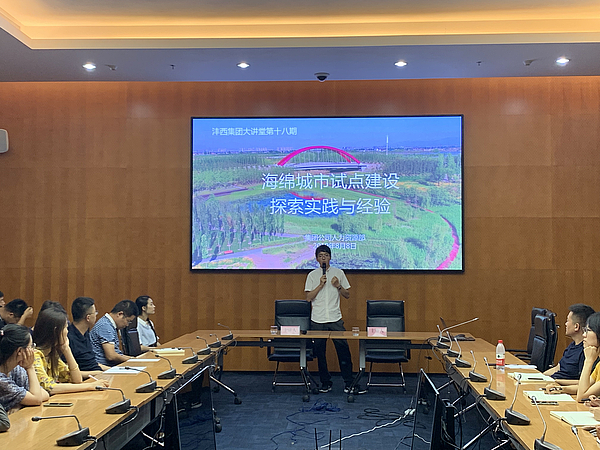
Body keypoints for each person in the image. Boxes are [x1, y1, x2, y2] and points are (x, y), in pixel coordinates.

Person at [305, 245, 362, 394]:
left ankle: (349, 383)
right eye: (320, 256)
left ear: (330, 257)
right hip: (318, 319)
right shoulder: (312, 275)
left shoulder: (339, 273)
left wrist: (338, 286)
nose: (323, 258)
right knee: (320, 352)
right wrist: (320, 284)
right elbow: (308, 297)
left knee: (343, 350)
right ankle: (325, 383)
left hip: (335, 318)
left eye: (326, 255)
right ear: (317, 259)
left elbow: (347, 295)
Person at [32, 307, 108, 394]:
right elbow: (49, 387)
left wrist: (66, 349)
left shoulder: (52, 354)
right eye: (65, 328)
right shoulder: (35, 355)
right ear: (56, 331)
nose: (67, 332)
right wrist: (90, 386)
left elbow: (77, 380)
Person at [0, 325, 49, 415]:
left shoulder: (15, 368)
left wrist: (20, 403)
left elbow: (44, 393)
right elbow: (37, 399)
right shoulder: (1, 380)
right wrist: (30, 367)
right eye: (31, 346)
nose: (33, 350)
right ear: (19, 351)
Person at [543, 304, 595, 381]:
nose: (565, 324)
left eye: (567, 321)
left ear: (576, 326)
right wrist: (541, 377)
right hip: (553, 382)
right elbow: (557, 368)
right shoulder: (572, 345)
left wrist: (556, 381)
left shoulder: (585, 351)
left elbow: (582, 381)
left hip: (561, 386)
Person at [90, 300, 138, 367]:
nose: (127, 325)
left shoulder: (109, 324)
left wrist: (133, 359)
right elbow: (111, 356)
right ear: (120, 314)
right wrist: (132, 361)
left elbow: (116, 354)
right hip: (103, 368)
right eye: (128, 321)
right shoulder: (105, 326)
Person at [68, 297, 108, 377]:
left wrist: (113, 370)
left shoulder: (85, 332)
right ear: (88, 318)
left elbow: (92, 363)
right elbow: (67, 372)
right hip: (86, 379)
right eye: (95, 312)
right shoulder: (68, 338)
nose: (96, 315)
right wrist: (97, 373)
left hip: (97, 374)